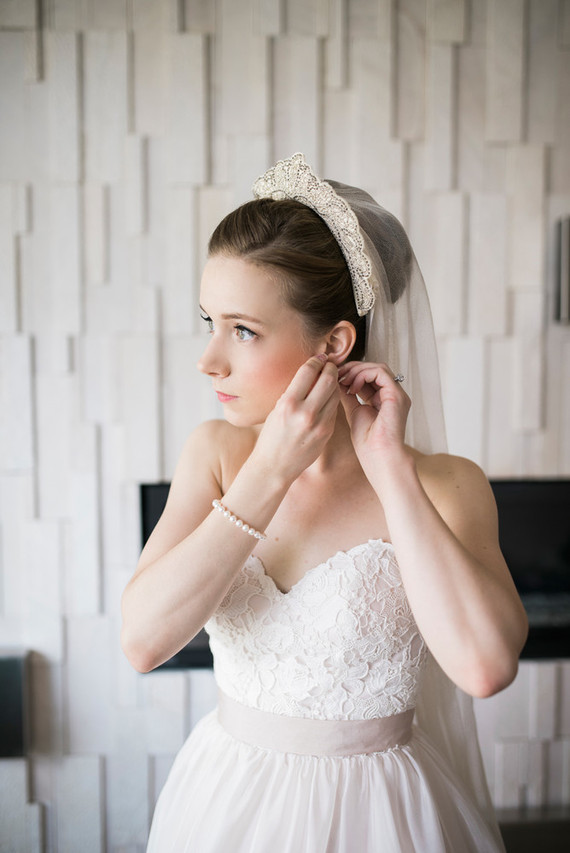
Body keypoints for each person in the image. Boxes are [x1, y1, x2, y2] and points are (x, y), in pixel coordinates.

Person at [121, 153, 528, 852]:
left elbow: (485, 667)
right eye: (208, 321)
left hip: (386, 817)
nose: (208, 358)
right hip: (227, 804)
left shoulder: (446, 483)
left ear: (335, 342)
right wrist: (269, 472)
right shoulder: (216, 456)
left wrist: (391, 470)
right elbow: (142, 642)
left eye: (241, 330)